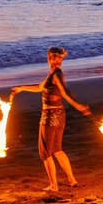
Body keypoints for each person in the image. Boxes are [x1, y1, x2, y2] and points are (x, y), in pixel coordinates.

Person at [11, 47, 91, 191]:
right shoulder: (53, 74)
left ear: (49, 58)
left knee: (45, 152)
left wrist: (78, 106)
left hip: (50, 117)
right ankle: (72, 180)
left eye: (52, 57)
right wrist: (21, 88)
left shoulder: (56, 75)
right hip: (59, 115)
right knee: (57, 150)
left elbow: (65, 92)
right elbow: (39, 87)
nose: (52, 59)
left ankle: (54, 185)